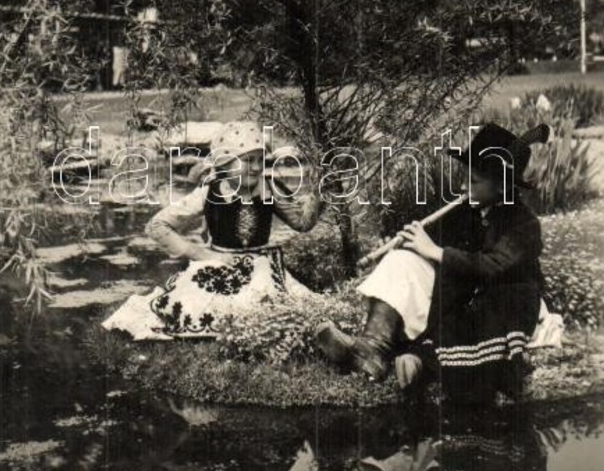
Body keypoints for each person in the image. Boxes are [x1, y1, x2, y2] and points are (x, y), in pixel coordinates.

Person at [316, 122, 553, 401]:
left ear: (501, 186)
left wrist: (435, 252)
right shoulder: (465, 211)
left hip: (506, 299)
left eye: (474, 181)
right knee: (401, 259)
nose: (465, 185)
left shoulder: (524, 223)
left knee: (471, 315)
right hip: (463, 291)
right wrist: (404, 247)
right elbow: (428, 245)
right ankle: (372, 350)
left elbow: (493, 266)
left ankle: (417, 360)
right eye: (466, 176)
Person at [103, 120, 321, 340]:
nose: (256, 167)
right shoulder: (210, 192)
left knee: (278, 310)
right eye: (248, 161)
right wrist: (203, 254)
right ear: (226, 164)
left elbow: (302, 223)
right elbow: (157, 226)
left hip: (262, 268)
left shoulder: (269, 189)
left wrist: (321, 193)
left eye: (260, 160)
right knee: (203, 310)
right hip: (219, 266)